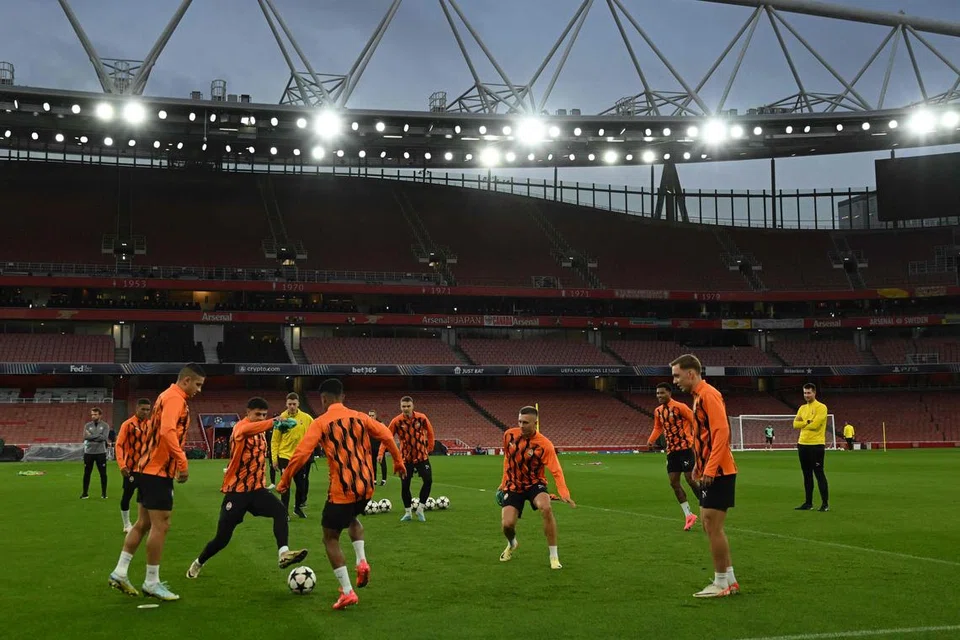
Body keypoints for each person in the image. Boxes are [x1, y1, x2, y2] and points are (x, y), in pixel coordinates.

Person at [277, 378, 405, 610]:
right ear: (343, 397)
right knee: (352, 518)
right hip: (366, 486)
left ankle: (347, 592)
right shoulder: (361, 416)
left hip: (342, 490)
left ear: (323, 399)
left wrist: (285, 480)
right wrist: (398, 461)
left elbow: (301, 454)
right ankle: (362, 561)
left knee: (330, 537)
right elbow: (387, 435)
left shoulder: (321, 422)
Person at [108, 363, 206, 602]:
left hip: (146, 468)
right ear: (186, 381)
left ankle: (120, 572)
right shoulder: (175, 399)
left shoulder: (166, 395)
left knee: (142, 523)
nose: (199, 390)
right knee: (161, 525)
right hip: (157, 471)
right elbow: (167, 431)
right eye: (198, 384)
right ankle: (151, 581)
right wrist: (182, 461)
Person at [187, 398, 308, 580]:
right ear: (247, 413)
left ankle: (283, 553)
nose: (260, 418)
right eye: (257, 414)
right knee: (222, 539)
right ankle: (198, 563)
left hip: (257, 490)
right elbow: (246, 430)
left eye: (264, 415)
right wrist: (273, 422)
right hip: (237, 492)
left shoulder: (260, 433)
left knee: (281, 512)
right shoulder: (240, 428)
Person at [671, 354, 740, 598]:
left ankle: (722, 583)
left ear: (691, 373)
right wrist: (698, 466)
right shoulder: (699, 396)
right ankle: (728, 579)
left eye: (677, 375)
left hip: (720, 472)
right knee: (709, 524)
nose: (675, 381)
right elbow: (706, 436)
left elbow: (722, 432)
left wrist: (710, 468)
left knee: (713, 525)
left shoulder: (709, 394)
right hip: (712, 469)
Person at [497, 405, 576, 569]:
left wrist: (563, 492)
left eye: (525, 422)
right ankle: (512, 544)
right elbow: (507, 460)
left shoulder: (544, 444)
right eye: (519, 421)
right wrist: (504, 482)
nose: (521, 425)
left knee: (546, 508)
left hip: (535, 483)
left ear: (535, 423)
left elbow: (556, 470)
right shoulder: (509, 435)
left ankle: (554, 556)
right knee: (507, 525)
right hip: (513, 485)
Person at [648, 382, 700, 531]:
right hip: (671, 451)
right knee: (674, 483)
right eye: (657, 393)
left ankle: (705, 503)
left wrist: (696, 439)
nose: (659, 396)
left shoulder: (680, 407)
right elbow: (658, 427)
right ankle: (689, 515)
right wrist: (651, 440)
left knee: (690, 479)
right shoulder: (658, 411)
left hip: (685, 448)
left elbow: (694, 420)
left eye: (662, 393)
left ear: (669, 393)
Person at [388, 396, 435, 522]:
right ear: (400, 407)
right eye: (403, 406)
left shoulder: (421, 417)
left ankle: (420, 509)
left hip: (421, 457)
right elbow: (387, 436)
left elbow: (430, 432)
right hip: (405, 459)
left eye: (408, 406)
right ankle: (408, 512)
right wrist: (381, 453)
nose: (406, 408)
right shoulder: (396, 421)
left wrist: (430, 447)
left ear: (412, 406)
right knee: (405, 485)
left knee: (428, 480)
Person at [271, 392, 312, 519]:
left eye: (294, 404)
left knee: (301, 486)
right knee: (286, 485)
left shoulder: (306, 418)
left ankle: (297, 508)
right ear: (286, 404)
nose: (292, 406)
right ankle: (284, 512)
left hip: (300, 457)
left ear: (298, 404)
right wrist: (274, 458)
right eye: (290, 404)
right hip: (285, 456)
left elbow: (316, 432)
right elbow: (275, 440)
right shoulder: (281, 419)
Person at [115, 398, 152, 533]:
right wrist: (122, 465)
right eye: (143, 409)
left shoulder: (150, 425)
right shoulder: (127, 424)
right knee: (127, 496)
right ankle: (126, 524)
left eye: (148, 410)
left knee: (146, 498)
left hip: (146, 469)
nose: (145, 412)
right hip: (130, 468)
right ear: (136, 408)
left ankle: (143, 523)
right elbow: (119, 445)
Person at [794, 383, 830, 512]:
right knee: (806, 474)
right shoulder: (802, 408)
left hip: (816, 445)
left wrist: (804, 424)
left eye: (809, 393)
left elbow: (815, 426)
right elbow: (794, 424)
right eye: (804, 393)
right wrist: (807, 422)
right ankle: (808, 503)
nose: (806, 395)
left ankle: (825, 504)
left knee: (819, 473)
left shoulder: (821, 407)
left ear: (814, 393)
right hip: (802, 444)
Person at [81, 407, 110, 499]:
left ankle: (104, 494)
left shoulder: (105, 426)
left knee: (103, 474)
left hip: (101, 452)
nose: (93, 416)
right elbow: (85, 437)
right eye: (92, 414)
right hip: (89, 452)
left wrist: (92, 436)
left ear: (100, 415)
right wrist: (98, 436)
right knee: (87, 473)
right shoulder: (87, 425)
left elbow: (104, 437)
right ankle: (85, 493)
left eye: (95, 414)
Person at [368, 410, 389, 486]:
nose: (371, 417)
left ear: (376, 416)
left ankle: (384, 479)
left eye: (372, 415)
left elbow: (386, 435)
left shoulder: (380, 424)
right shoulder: (367, 424)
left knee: (382, 463)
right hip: (371, 447)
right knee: (373, 464)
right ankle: (374, 480)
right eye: (369, 415)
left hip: (380, 447)